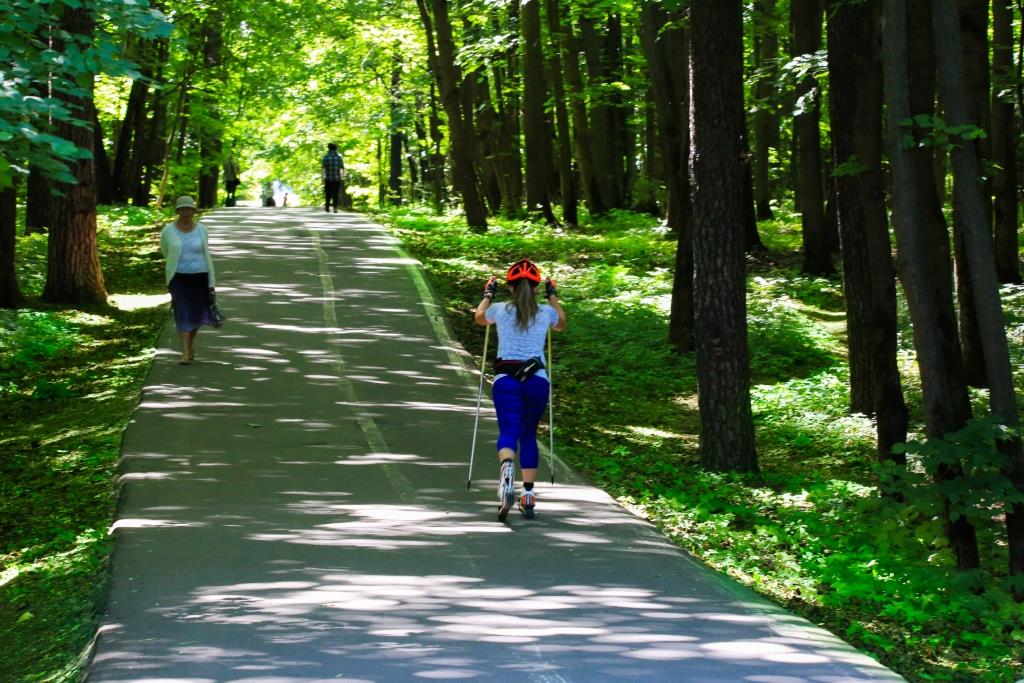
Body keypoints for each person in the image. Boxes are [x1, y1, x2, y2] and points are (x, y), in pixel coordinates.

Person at [474, 259, 566, 520]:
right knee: (528, 435)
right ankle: (527, 493)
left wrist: (487, 296)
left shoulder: (500, 309)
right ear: (536, 288)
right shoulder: (546, 312)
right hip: (536, 381)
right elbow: (561, 322)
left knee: (508, 432)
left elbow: (479, 318)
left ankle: (506, 469)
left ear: (510, 287)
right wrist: (554, 296)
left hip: (506, 380)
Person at [161, 196, 217, 365]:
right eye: (182, 209)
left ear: (194, 211)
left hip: (200, 275)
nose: (185, 212)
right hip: (178, 277)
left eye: (189, 209)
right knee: (182, 311)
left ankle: (190, 345)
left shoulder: (202, 230)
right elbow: (165, 250)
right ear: (177, 211)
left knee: (195, 314)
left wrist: (211, 281)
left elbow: (205, 252)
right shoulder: (168, 230)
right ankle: (185, 351)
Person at [321, 142, 344, 213]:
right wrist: (342, 177)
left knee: (328, 193)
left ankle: (327, 207)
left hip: (328, 178)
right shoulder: (339, 158)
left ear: (328, 149)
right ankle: (335, 208)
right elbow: (342, 168)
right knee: (336, 194)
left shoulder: (326, 157)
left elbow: (323, 169)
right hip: (337, 178)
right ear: (336, 149)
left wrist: (322, 178)